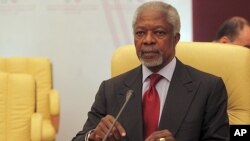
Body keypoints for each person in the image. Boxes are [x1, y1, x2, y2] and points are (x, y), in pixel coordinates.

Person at [72, 1, 229, 141]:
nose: (148, 40)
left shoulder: (208, 88)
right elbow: (80, 137)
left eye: (159, 32)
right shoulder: (111, 89)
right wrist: (92, 137)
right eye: (140, 33)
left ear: (176, 38)